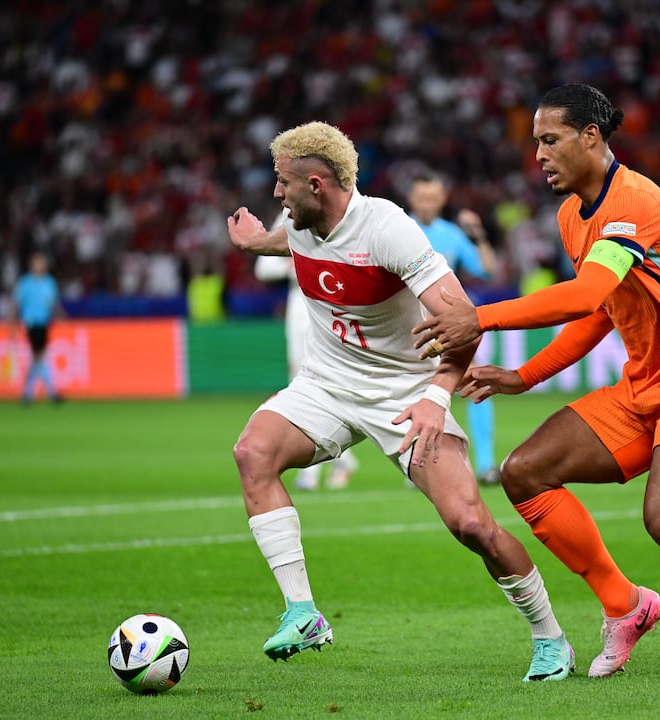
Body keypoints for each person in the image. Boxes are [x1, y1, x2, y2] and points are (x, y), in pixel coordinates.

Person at [413, 83, 660, 686]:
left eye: (550, 140)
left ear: (591, 137)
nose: (540, 155)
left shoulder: (633, 201)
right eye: (536, 143)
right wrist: (524, 375)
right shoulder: (572, 215)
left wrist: (482, 316)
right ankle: (625, 604)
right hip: (641, 391)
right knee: (525, 472)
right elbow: (600, 313)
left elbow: (585, 294)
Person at [225, 121, 574, 681]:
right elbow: (286, 240)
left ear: (317, 184)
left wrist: (438, 396)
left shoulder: (388, 230)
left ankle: (550, 637)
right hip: (327, 383)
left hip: (405, 393)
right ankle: (303, 612)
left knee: (471, 524)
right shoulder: (302, 222)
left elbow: (464, 321)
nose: (274, 194)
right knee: (252, 453)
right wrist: (252, 242)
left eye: (282, 183)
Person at [405, 173, 501, 486]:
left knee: (475, 383)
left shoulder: (452, 234)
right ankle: (415, 463)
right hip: (407, 326)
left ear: (442, 200)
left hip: (448, 324)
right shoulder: (398, 229)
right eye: (422, 198)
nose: (427, 204)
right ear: (411, 198)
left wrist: (478, 235)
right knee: (409, 392)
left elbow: (487, 269)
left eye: (433, 198)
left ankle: (486, 465)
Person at [254, 240, 359, 491]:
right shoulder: (288, 219)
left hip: (334, 305)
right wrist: (292, 266)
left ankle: (314, 471)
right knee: (299, 381)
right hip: (300, 308)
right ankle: (339, 462)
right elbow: (263, 268)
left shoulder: (341, 219)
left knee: (327, 381)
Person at [13, 250, 62, 404]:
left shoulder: (49, 283)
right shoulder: (25, 283)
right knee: (38, 356)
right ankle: (51, 392)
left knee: (37, 359)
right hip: (31, 323)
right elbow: (16, 304)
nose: (39, 266)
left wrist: (61, 318)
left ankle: (27, 394)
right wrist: (13, 323)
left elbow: (54, 305)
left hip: (44, 323)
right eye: (36, 263)